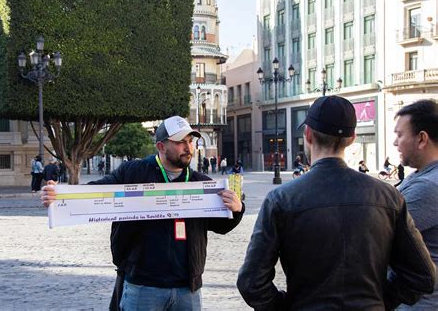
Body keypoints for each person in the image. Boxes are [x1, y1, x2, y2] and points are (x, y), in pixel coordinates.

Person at [237, 95, 435, 310]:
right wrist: (379, 301)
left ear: (308, 135)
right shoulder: (387, 196)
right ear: (352, 139)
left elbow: (251, 282)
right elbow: (421, 275)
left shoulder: (281, 199)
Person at [41, 115, 244, 311]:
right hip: (143, 286)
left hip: (187, 289)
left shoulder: (202, 183)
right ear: (161, 146)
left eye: (190, 141)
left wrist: (236, 209)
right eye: (180, 142)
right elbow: (95, 194)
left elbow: (221, 225)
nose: (188, 147)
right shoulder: (132, 172)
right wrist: (60, 196)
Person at [393, 99, 438, 309]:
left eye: (400, 135)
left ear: (422, 139)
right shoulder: (422, 176)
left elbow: (375, 231)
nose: (395, 143)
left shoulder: (428, 187)